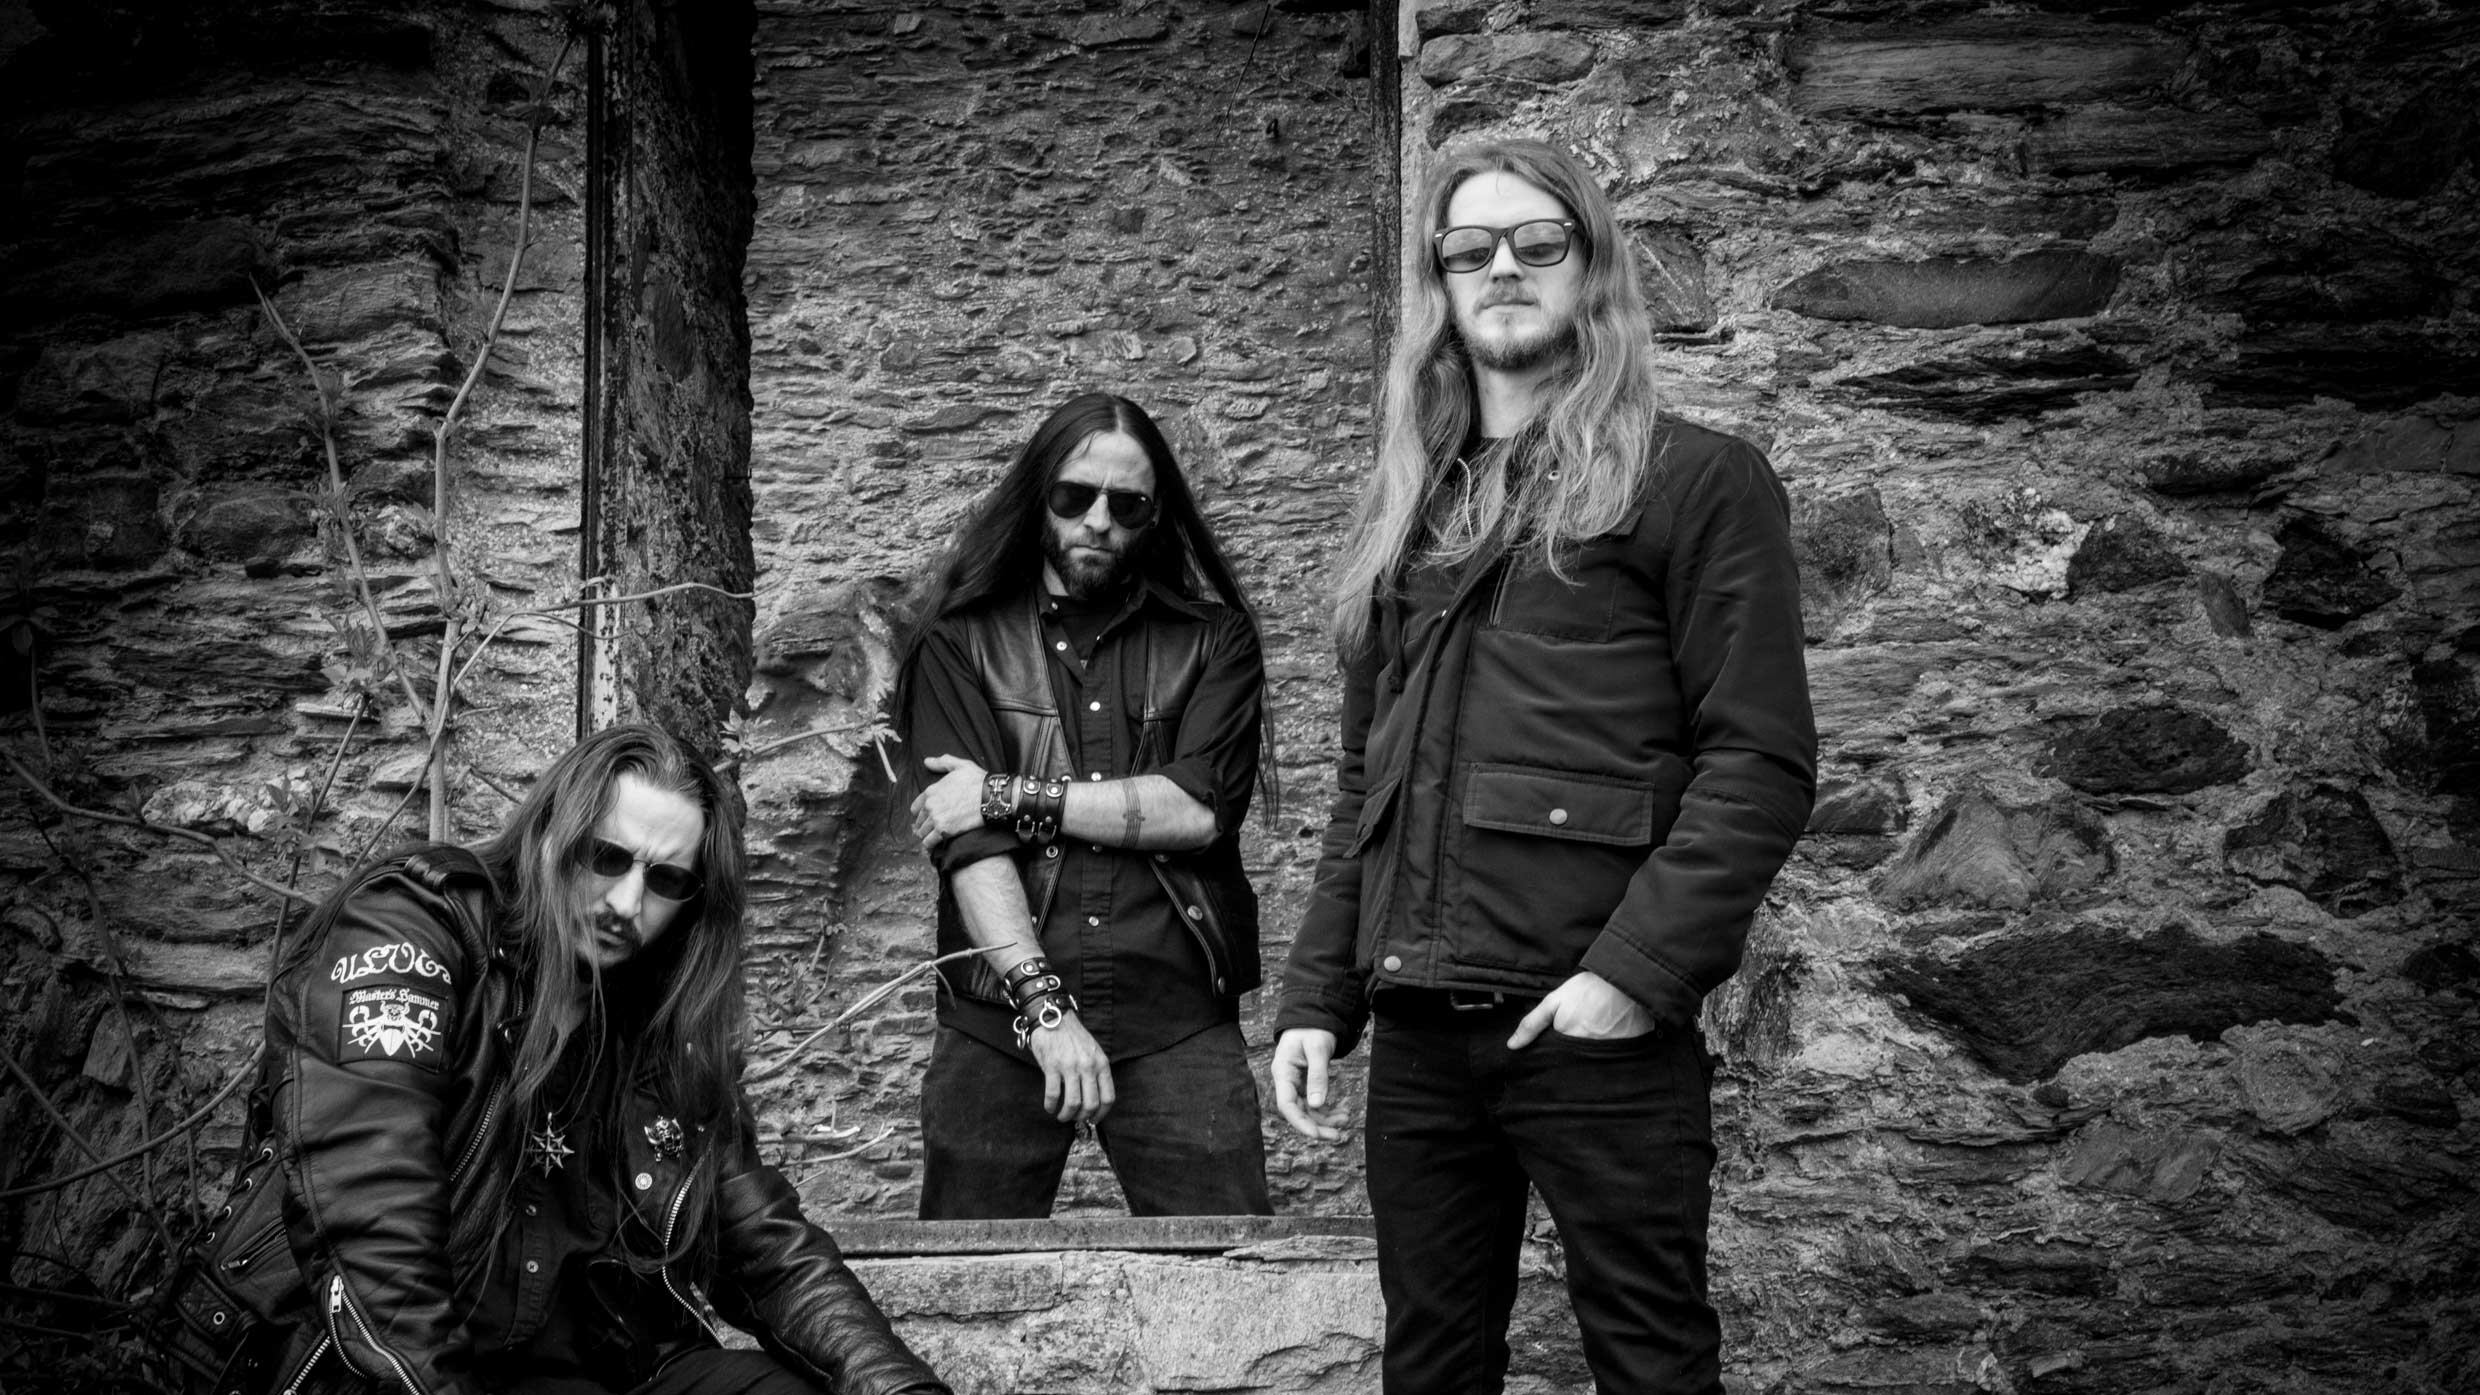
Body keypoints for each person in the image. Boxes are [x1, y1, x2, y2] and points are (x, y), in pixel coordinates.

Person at [1271, 139, 1818, 1393]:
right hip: (1418, 1029)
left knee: (1649, 1365)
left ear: (1590, 268)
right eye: (1468, 250)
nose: (1502, 269)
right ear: (1438, 284)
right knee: (1430, 1368)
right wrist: (1316, 998)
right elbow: (1365, 785)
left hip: (1591, 1022)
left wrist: (1628, 979)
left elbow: (1757, 762)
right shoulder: (1409, 508)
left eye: (1536, 243)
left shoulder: (1695, 480)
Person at [173, 724, 950, 1395]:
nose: (626, 902)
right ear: (551, 832)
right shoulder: (413, 932)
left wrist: (899, 1384)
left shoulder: (658, 1023)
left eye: (664, 879)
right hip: (376, 1368)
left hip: (586, 1367)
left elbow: (768, 1250)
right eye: (606, 857)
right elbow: (371, 1223)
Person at [894, 391, 1275, 1219]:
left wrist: (1001, 793)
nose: (1098, 521)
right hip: (1000, 1021)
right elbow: (970, 849)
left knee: (1228, 1269)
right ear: (1040, 495)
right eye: (1075, 496)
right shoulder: (958, 641)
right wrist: (1044, 1010)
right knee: (963, 1277)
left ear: (1155, 514)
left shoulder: (1214, 639)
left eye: (1126, 504)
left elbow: (1196, 811)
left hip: (1174, 1017)